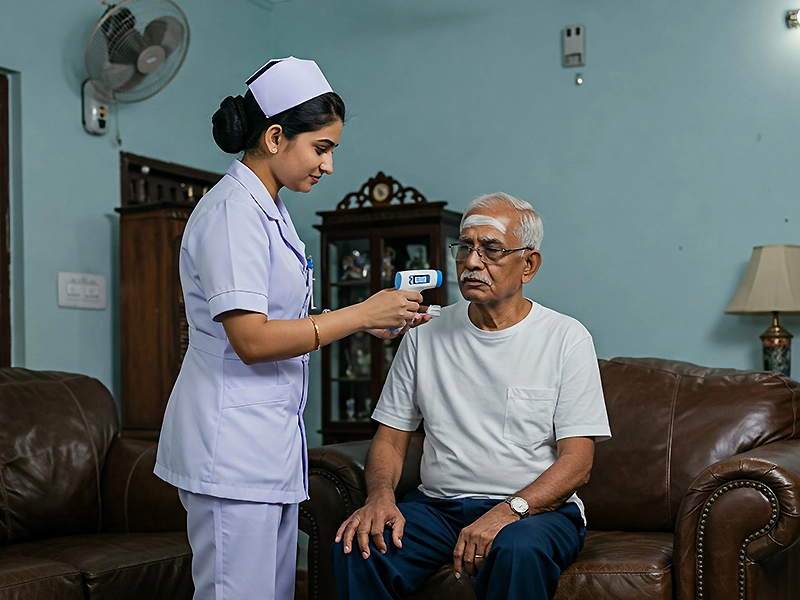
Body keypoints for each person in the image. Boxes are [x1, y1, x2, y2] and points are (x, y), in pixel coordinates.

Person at [154, 57, 427, 600]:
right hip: (230, 450)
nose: (327, 166)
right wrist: (359, 313)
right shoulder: (232, 212)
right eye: (321, 148)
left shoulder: (269, 210)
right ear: (275, 136)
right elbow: (252, 339)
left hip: (266, 449)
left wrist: (363, 323)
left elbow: (283, 322)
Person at [331, 192, 612, 600]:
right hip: (436, 509)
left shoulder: (566, 338)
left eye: (491, 249)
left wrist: (507, 512)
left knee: (518, 549)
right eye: (465, 247)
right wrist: (380, 497)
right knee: (360, 547)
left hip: (532, 514)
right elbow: (391, 438)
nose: (472, 262)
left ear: (528, 264)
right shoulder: (424, 332)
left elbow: (577, 463)